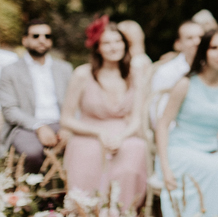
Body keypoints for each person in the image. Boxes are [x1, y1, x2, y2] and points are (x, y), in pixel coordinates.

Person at [60, 16, 147, 210]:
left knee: (136, 148)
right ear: (97, 47)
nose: (114, 47)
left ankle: (123, 211)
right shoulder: (83, 74)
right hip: (88, 133)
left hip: (124, 134)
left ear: (125, 45)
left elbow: (136, 119)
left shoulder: (134, 74)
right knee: (89, 153)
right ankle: (88, 210)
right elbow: (66, 119)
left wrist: (122, 136)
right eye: (107, 43)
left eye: (118, 42)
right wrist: (98, 133)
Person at [156, 29, 218, 217]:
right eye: (214, 47)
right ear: (204, 51)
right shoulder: (186, 84)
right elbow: (162, 125)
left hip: (212, 150)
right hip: (179, 151)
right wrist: (164, 167)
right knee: (213, 170)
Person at [0, 20, 72, 173]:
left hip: (62, 124)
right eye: (36, 36)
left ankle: (77, 194)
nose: (42, 40)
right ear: (24, 40)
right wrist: (38, 126)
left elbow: (74, 104)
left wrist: (68, 127)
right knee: (31, 152)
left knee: (85, 147)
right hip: (25, 127)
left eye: (47, 36)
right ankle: (32, 193)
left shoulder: (64, 69)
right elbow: (10, 110)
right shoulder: (10, 71)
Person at [149, 20, 204, 127]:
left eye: (201, 37)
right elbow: (157, 112)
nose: (197, 42)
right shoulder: (166, 72)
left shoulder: (213, 69)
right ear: (178, 44)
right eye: (190, 38)